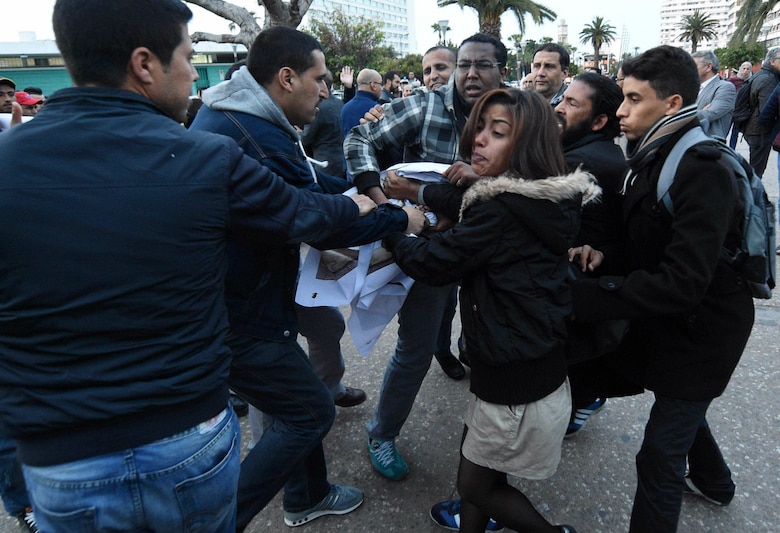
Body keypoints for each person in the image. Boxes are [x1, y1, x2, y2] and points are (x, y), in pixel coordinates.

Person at [0, 1, 379, 532]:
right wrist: (381, 210)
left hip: (61, 463)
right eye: (185, 55)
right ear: (144, 65)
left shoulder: (9, 162)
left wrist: (16, 489)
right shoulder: (203, 158)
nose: (191, 73)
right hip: (183, 440)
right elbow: (306, 214)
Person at [189, 26, 425, 530]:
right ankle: (221, 519)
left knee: (301, 384)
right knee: (308, 411)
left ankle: (306, 494)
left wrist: (372, 188)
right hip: (239, 307)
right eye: (319, 79)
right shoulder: (257, 135)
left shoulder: (248, 118)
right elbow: (318, 221)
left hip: (247, 292)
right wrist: (402, 218)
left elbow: (313, 181)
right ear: (286, 77)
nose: (326, 91)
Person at [385, 88, 595, 533]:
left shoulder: (499, 210)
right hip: (525, 357)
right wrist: (436, 194)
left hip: (512, 370)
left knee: (476, 485)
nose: (479, 139)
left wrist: (392, 224)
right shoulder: (544, 197)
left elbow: (432, 262)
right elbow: (471, 200)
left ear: (526, 145)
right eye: (479, 127)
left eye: (496, 132)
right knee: (482, 465)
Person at [569, 45, 754, 533]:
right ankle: (716, 484)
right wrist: (604, 253)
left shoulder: (701, 167)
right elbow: (651, 241)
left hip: (705, 331)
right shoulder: (654, 152)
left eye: (633, 99)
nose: (622, 111)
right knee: (681, 404)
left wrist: (588, 297)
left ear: (671, 103)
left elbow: (683, 280)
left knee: (659, 456)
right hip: (672, 323)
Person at [345, 32, 508, 482]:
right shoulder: (424, 105)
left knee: (495, 340)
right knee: (415, 348)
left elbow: (531, 174)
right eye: (464, 64)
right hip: (431, 251)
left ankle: (491, 459)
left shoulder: (515, 116)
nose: (471, 73)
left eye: (483, 65)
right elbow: (359, 139)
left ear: (502, 72)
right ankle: (382, 432)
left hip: (493, 250)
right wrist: (383, 203)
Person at [554, 72, 628, 435]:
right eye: (562, 98)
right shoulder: (597, 152)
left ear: (599, 121)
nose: (559, 107)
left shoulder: (580, 162)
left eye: (571, 103)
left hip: (580, 288)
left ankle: (582, 401)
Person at [302, 70, 347, 177]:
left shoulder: (318, 108)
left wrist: (296, 133)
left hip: (324, 166)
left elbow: (305, 138)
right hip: (342, 163)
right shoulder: (340, 103)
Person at [743, 46, 780, 177]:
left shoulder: (764, 75)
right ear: (772, 61)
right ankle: (750, 196)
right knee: (756, 173)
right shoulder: (768, 79)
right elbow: (767, 110)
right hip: (760, 132)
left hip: (755, 129)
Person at [691, 50, 736, 140]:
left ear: (708, 67)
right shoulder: (693, 87)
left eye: (693, 66)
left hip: (709, 145)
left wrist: (679, 114)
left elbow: (710, 114)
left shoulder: (725, 87)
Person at [341, 68, 383, 136]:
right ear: (373, 85)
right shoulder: (378, 109)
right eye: (380, 84)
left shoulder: (345, 108)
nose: (382, 88)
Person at [726, 61, 752, 148]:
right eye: (744, 68)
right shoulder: (732, 81)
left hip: (740, 113)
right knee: (725, 131)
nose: (745, 71)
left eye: (748, 69)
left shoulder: (751, 82)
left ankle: (732, 150)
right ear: (740, 69)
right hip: (730, 110)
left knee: (735, 134)